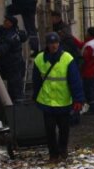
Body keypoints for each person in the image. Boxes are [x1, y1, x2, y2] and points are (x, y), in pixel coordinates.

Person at [32, 32, 85, 162]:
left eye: (56, 43)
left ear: (59, 43)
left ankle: (63, 150)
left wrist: (78, 99)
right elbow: (36, 80)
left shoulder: (67, 58)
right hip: (47, 101)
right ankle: (53, 154)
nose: (54, 46)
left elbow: (75, 80)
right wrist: (35, 96)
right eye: (51, 43)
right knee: (49, 130)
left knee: (64, 129)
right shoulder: (39, 59)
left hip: (63, 101)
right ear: (47, 45)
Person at [0, 14, 27, 104]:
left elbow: (1, 50)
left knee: (15, 93)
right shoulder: (8, 31)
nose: (3, 22)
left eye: (6, 21)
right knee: (11, 89)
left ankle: (17, 113)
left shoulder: (12, 36)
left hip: (14, 67)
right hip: (10, 65)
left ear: (10, 24)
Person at [81, 27, 94, 114]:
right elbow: (82, 45)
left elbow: (86, 58)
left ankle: (92, 108)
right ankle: (92, 107)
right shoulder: (92, 42)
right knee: (90, 89)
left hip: (88, 71)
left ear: (89, 34)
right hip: (91, 71)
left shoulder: (90, 45)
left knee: (89, 91)